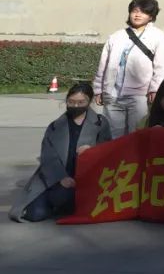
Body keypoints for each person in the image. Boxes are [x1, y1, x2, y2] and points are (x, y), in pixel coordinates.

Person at [9, 82, 112, 222]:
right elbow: (47, 156)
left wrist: (92, 151)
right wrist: (60, 178)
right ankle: (59, 203)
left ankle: (66, 204)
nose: (76, 106)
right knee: (35, 214)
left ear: (89, 102)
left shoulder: (100, 123)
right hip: (57, 178)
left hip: (86, 179)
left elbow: (108, 150)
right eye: (71, 102)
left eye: (81, 102)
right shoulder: (55, 126)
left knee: (68, 198)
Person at [92, 0, 164, 137]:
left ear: (151, 16)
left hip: (140, 96)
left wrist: (155, 89)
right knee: (113, 136)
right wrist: (98, 89)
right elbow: (103, 64)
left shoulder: (158, 36)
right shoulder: (116, 36)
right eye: (134, 11)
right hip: (112, 94)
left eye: (143, 12)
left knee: (137, 134)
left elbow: (161, 66)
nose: (137, 14)